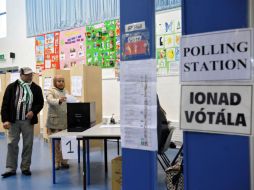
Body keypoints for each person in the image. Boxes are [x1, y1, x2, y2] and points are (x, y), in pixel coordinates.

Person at [1, 67, 44, 178]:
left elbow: (40, 103)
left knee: (28, 144)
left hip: (27, 121)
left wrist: (33, 112)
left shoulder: (36, 88)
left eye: (31, 75)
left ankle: (25, 167)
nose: (30, 76)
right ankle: (10, 168)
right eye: (27, 75)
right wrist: (5, 120)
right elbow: (5, 104)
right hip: (13, 121)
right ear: (21, 75)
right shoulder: (11, 87)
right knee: (12, 144)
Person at [46, 75, 69, 170]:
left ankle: (64, 161)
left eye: (62, 80)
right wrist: (58, 100)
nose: (61, 83)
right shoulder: (51, 91)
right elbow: (49, 100)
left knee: (64, 143)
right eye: (59, 81)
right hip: (54, 123)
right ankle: (56, 162)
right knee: (55, 144)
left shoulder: (66, 91)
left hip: (64, 122)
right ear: (55, 82)